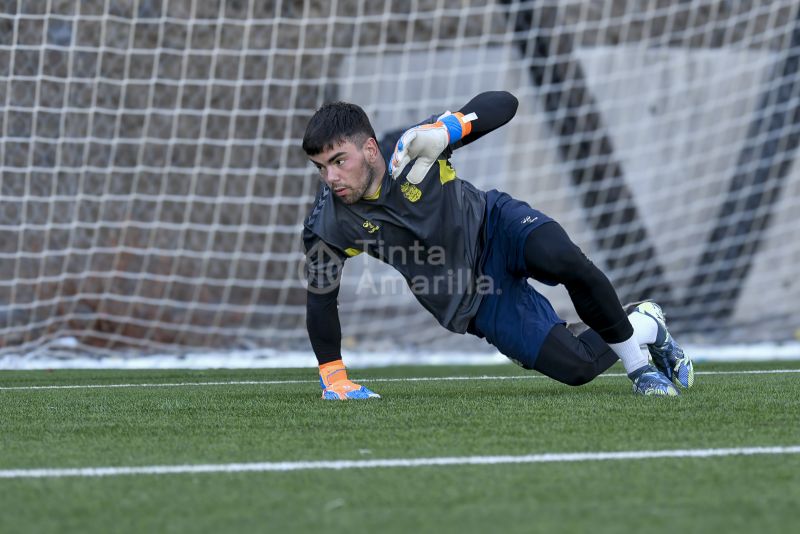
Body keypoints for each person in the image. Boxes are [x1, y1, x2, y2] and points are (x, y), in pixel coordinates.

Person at [301, 91, 694, 400]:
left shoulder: (412, 146)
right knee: (578, 367)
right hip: (473, 298)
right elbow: (321, 297)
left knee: (564, 260)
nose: (330, 178)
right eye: (321, 167)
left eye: (339, 161)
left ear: (370, 150)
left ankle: (639, 370)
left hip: (495, 225)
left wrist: (448, 129)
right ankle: (645, 321)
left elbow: (504, 103)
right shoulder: (329, 222)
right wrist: (334, 377)